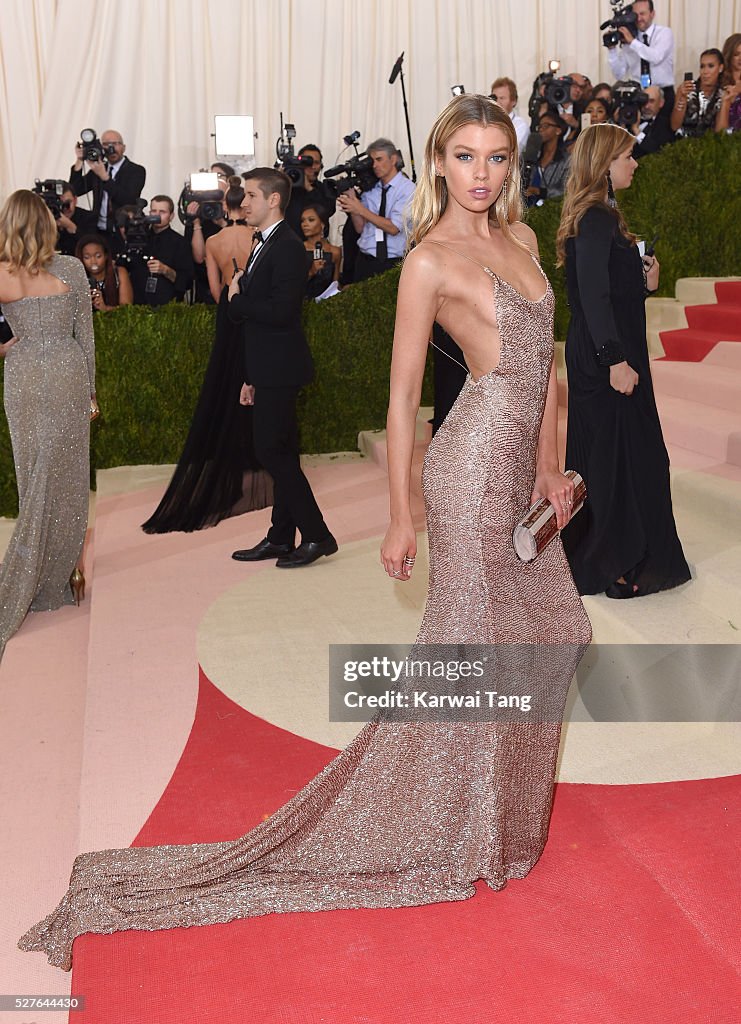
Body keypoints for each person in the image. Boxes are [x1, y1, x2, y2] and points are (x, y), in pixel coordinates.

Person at [18, 95, 590, 972]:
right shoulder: (429, 259)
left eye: (497, 158)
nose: (481, 173)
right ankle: (471, 831)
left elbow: (544, 372)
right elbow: (402, 400)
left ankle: (488, 814)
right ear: (439, 164)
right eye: (465, 156)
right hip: (470, 473)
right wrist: (402, 513)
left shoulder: (519, 243)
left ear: (513, 165)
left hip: (520, 470)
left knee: (545, 634)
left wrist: (551, 469)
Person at [556, 124, 691, 598]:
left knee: (620, 458)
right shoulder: (595, 217)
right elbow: (592, 296)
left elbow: (608, 289)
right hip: (606, 358)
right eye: (628, 156)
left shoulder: (601, 215)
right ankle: (617, 563)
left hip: (607, 353)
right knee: (621, 460)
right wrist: (614, 359)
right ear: (606, 164)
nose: (635, 163)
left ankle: (611, 557)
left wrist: (645, 281)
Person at [141, 179, 272, 534]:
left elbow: (215, 292)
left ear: (221, 207)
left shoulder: (215, 242)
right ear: (242, 206)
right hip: (258, 318)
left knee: (230, 385)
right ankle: (261, 458)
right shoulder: (260, 238)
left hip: (228, 318)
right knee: (260, 383)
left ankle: (235, 458)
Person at [0, 191, 97, 660]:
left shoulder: (2, 270)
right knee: (66, 479)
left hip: (22, 377)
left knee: (33, 478)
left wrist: (5, 349)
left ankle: (36, 575)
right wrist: (92, 392)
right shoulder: (71, 269)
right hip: (65, 373)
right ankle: (60, 576)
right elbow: (87, 337)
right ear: (48, 223)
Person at [228, 167, 337, 568]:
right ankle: (280, 536)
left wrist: (236, 300)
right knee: (282, 450)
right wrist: (249, 375)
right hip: (267, 367)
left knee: (271, 451)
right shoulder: (265, 243)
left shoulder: (289, 246)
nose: (244, 203)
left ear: (273, 199)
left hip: (281, 367)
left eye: (251, 196)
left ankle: (317, 534)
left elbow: (281, 312)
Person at [338, 138, 416, 282]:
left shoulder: (408, 189)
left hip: (393, 262)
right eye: (372, 160)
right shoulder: (370, 189)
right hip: (364, 260)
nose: (374, 165)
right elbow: (360, 228)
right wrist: (351, 202)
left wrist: (360, 209)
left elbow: (394, 228)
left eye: (379, 159)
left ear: (393, 159)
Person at [69, 129, 146, 251]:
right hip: (98, 231)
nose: (111, 148)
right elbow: (75, 190)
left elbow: (128, 200)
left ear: (124, 147)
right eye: (106, 144)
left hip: (121, 232)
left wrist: (105, 178)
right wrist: (79, 160)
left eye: (115, 144)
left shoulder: (136, 171)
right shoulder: (99, 168)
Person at [606, 1, 675, 115]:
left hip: (662, 93)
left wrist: (632, 42)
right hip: (638, 93)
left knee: (662, 131)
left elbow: (655, 57)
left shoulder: (664, 33)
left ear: (652, 14)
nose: (638, 18)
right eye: (635, 14)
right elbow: (619, 73)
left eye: (643, 14)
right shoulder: (630, 38)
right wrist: (612, 50)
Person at [127, 196, 193, 305]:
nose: (157, 215)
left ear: (171, 216)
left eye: (162, 212)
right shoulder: (138, 237)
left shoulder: (180, 243)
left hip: (167, 306)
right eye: (154, 211)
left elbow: (187, 282)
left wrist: (166, 270)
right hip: (138, 304)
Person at [186, 162, 233, 304]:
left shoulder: (236, 213)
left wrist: (223, 223)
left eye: (219, 176)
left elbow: (238, 245)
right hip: (204, 281)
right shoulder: (199, 213)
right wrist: (195, 222)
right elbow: (199, 258)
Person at [671, 49, 726, 137]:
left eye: (710, 66)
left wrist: (725, 102)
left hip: (710, 145)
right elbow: (674, 126)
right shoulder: (687, 89)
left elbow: (721, 133)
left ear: (720, 68)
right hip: (682, 144)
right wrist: (682, 98)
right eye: (702, 66)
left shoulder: (722, 94)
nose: (705, 71)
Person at [75, 234, 133, 311]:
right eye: (87, 257)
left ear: (106, 256)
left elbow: (127, 308)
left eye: (98, 256)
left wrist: (105, 308)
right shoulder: (76, 278)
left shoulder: (119, 273)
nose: (93, 262)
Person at [525, 109, 571, 205]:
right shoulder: (533, 156)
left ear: (558, 130)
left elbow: (568, 190)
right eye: (540, 126)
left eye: (546, 126)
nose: (541, 129)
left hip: (553, 211)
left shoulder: (567, 160)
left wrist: (540, 191)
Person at [300, 204, 341, 298]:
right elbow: (290, 284)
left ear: (322, 224)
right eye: (302, 221)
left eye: (311, 220)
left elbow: (335, 284)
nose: (305, 224)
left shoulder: (335, 251)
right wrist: (311, 272)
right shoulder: (298, 249)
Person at [55, 184, 97, 256]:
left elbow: (91, 246)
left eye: (68, 203)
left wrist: (71, 227)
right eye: (61, 204)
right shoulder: (48, 218)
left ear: (75, 200)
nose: (65, 208)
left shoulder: (89, 217)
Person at [632, 86, 674, 156]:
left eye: (651, 101)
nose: (647, 106)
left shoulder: (665, 124)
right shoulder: (629, 118)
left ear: (661, 103)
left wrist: (637, 132)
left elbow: (658, 150)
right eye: (644, 101)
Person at [489, 76, 530, 149]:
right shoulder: (487, 122)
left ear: (513, 101)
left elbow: (512, 151)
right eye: (494, 98)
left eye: (502, 98)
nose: (497, 102)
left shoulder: (520, 125)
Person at [716, 34, 741, 133]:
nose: (740, 58)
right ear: (729, 55)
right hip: (721, 139)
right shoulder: (718, 81)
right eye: (736, 54)